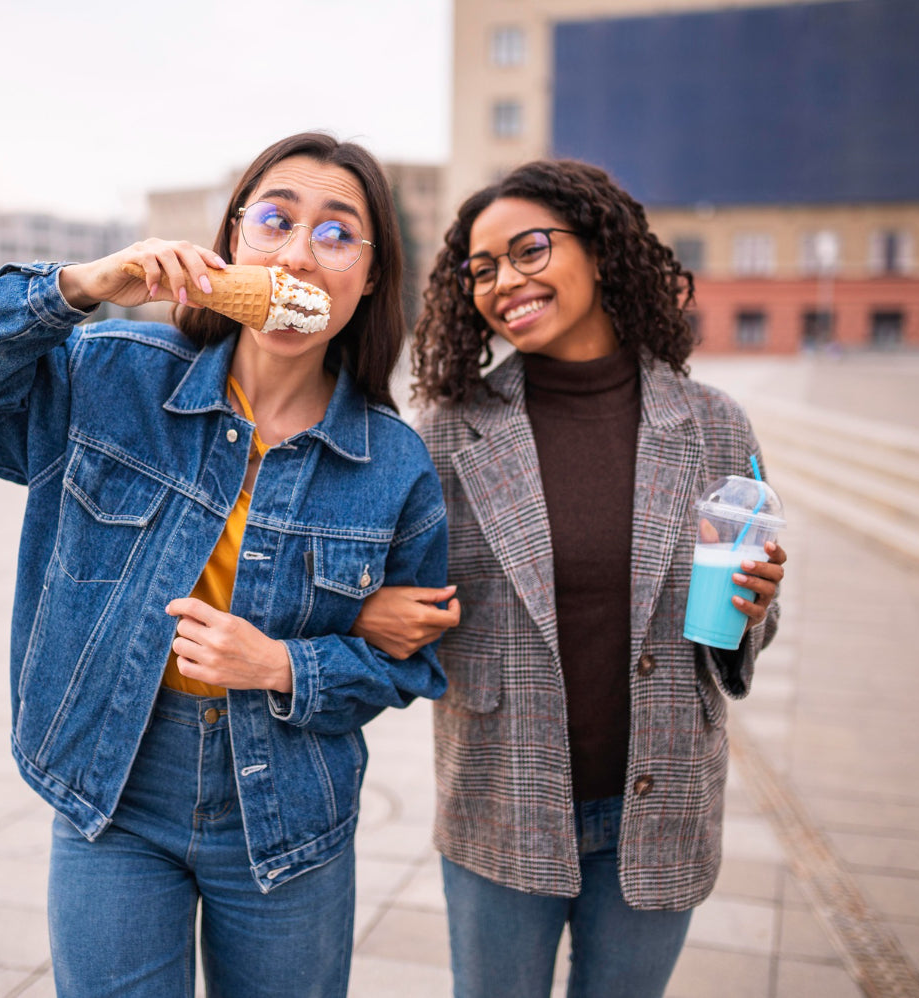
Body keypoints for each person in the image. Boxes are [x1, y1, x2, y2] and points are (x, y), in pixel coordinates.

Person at [0, 132, 449, 998]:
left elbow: (411, 661)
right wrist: (79, 287)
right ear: (231, 242)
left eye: (339, 234)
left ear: (371, 279)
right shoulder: (112, 378)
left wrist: (283, 664)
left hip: (288, 807)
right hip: (113, 786)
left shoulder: (396, 468)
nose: (300, 253)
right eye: (275, 221)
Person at [352, 159, 789, 998]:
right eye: (482, 270)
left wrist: (756, 604)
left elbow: (740, 626)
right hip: (500, 798)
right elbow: (371, 589)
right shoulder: (446, 436)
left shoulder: (711, 425)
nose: (504, 281)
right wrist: (372, 612)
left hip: (659, 805)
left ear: (598, 252)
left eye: (529, 251)